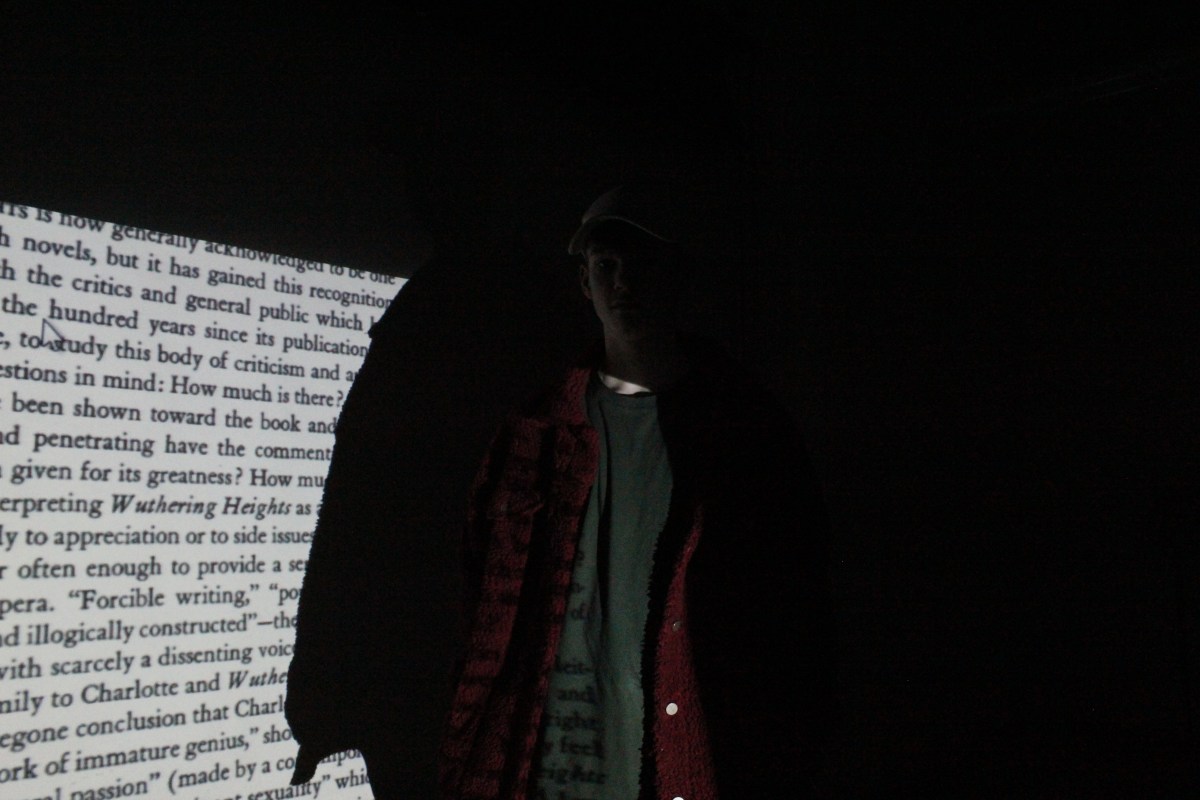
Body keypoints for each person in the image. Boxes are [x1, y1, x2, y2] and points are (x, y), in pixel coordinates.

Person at [439, 185, 835, 799]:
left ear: (677, 274)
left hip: (688, 760)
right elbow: (481, 595)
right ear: (585, 281)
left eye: (643, 264)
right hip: (553, 765)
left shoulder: (744, 429)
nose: (624, 283)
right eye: (607, 265)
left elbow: (795, 612)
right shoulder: (534, 433)